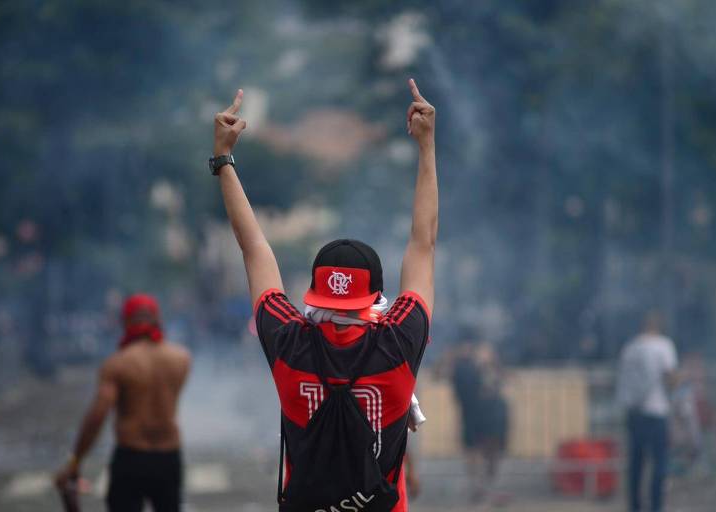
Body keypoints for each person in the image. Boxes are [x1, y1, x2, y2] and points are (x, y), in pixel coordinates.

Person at [211, 78, 437, 511]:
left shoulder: (289, 342)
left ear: (314, 295)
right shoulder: (398, 343)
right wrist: (426, 147)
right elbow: (422, 244)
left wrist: (224, 159)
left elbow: (254, 248)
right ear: (375, 297)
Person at [54, 294, 191, 512]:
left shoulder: (117, 365)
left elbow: (97, 417)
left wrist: (75, 461)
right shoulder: (181, 359)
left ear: (125, 322)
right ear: (157, 319)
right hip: (168, 457)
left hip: (131, 457)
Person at [617, 311, 678, 512]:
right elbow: (670, 379)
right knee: (659, 464)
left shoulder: (630, 348)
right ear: (658, 326)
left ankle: (635, 507)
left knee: (636, 464)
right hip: (656, 410)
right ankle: (656, 507)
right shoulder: (663, 346)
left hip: (633, 412)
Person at [440, 340, 508, 503]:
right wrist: (448, 358)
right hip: (470, 414)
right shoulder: (460, 366)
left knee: (491, 451)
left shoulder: (485, 362)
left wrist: (490, 362)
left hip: (489, 413)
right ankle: (478, 488)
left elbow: (500, 379)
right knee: (473, 451)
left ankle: (488, 487)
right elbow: (440, 374)